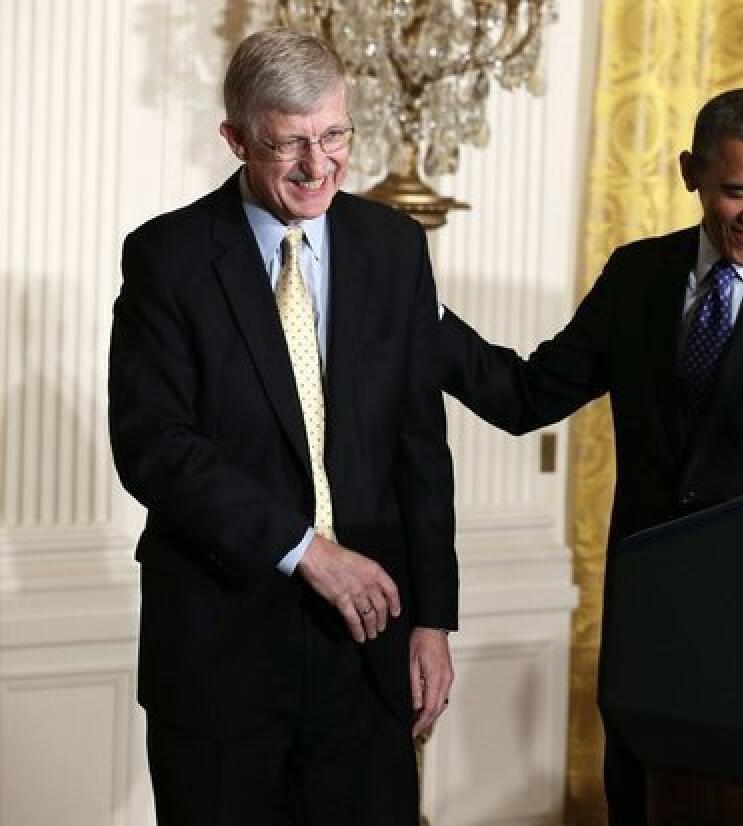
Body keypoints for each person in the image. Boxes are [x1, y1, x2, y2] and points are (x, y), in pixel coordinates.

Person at [438, 88, 743, 824]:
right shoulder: (638, 275)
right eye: (738, 190)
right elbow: (527, 397)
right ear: (691, 172)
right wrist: (421, 317)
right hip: (650, 615)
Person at [108, 29, 456, 826]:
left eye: (334, 135)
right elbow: (153, 446)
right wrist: (307, 550)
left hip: (370, 646)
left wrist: (432, 618)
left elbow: (419, 446)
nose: (318, 164)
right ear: (235, 139)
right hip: (222, 648)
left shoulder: (393, 247)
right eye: (289, 143)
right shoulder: (168, 257)